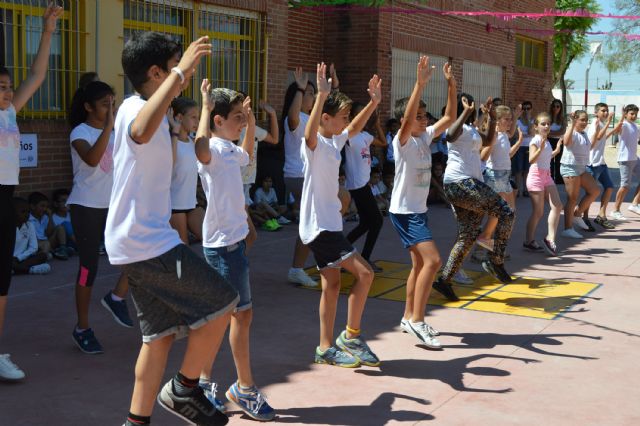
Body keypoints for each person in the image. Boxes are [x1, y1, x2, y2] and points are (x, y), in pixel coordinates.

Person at [106, 32, 238, 426]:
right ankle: (184, 388)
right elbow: (140, 131)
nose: (182, 73)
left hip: (137, 240)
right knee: (221, 302)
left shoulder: (153, 109)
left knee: (159, 337)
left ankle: (135, 422)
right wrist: (180, 73)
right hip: (145, 241)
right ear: (156, 71)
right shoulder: (134, 108)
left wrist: (188, 90)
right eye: (174, 65)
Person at [195, 82, 275, 421]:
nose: (242, 124)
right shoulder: (211, 149)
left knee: (239, 317)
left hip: (235, 245)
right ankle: (214, 385)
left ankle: (229, 386)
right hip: (220, 250)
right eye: (237, 118)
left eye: (244, 118)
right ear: (216, 120)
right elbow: (198, 146)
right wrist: (203, 104)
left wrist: (251, 118)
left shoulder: (229, 148)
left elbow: (247, 154)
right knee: (224, 320)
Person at [302, 62, 380, 368]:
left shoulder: (334, 142)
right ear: (325, 118)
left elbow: (354, 128)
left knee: (332, 285)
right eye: (343, 115)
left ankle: (324, 347)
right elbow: (309, 133)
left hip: (330, 224)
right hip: (321, 228)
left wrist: (374, 103)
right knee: (365, 273)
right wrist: (321, 95)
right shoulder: (314, 144)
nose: (347, 121)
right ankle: (351, 336)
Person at [0, 2, 61, 381]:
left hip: (5, 200)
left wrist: (48, 30)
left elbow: (37, 75)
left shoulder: (9, 113)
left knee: (1, 283)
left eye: (7, 85)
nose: (7, 90)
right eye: (0, 87)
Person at [389, 56, 457, 347]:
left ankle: (407, 317)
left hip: (417, 210)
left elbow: (450, 118)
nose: (425, 119)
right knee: (434, 261)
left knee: (419, 266)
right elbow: (406, 120)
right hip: (405, 212)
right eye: (419, 115)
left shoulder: (425, 137)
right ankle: (418, 321)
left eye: (425, 116)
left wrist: (451, 84)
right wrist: (419, 83)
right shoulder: (401, 140)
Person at [68, 80, 132, 354]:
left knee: (138, 255)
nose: (110, 108)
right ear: (88, 107)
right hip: (85, 208)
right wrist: (109, 128)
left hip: (113, 207)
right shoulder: (79, 132)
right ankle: (82, 327)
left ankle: (116, 296)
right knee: (87, 268)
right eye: (105, 104)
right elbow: (93, 159)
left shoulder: (117, 132)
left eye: (112, 103)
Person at [436, 94, 515, 300]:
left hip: (468, 184)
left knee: (468, 236)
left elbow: (489, 140)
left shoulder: (472, 130)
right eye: (463, 106)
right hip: (459, 182)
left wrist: (491, 117)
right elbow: (450, 137)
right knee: (506, 212)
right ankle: (494, 260)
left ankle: (444, 281)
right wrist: (465, 112)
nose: (468, 108)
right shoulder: (453, 127)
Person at [283, 66, 321, 287]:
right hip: (298, 176)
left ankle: (301, 266)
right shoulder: (296, 120)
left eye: (312, 93)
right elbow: (292, 115)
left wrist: (331, 88)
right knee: (313, 221)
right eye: (309, 93)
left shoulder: (312, 118)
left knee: (313, 221)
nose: (312, 96)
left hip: (307, 176)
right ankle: (297, 268)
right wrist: (299, 88)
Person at [343, 103, 388, 271]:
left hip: (364, 184)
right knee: (376, 221)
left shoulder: (365, 136)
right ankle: (364, 257)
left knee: (366, 223)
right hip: (357, 185)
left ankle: (341, 252)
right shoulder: (349, 135)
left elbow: (383, 142)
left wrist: (376, 123)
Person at [477, 105, 523, 251]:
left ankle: (491, 244)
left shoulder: (503, 134)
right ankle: (485, 241)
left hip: (504, 176)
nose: (510, 123)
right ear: (497, 121)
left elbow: (507, 152)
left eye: (511, 120)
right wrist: (491, 139)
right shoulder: (495, 135)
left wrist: (519, 140)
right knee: (500, 212)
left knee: (510, 213)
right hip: (494, 176)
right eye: (507, 119)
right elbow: (483, 157)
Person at [240, 100, 282, 248]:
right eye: (243, 107)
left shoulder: (253, 129)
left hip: (246, 183)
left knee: (247, 235)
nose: (247, 110)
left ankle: (237, 265)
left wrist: (272, 114)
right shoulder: (233, 130)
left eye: (248, 107)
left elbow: (275, 139)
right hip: (236, 183)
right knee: (249, 234)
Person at [524, 112, 564, 256]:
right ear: (536, 127)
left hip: (547, 176)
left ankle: (550, 239)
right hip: (535, 177)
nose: (546, 126)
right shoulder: (535, 140)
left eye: (548, 124)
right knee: (538, 212)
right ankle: (529, 241)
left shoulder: (545, 141)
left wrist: (556, 151)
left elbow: (545, 156)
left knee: (558, 206)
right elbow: (531, 160)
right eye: (543, 124)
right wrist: (540, 148)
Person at [168, 96, 205, 245]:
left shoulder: (192, 141)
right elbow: (169, 165)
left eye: (199, 117)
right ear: (179, 117)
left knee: (213, 239)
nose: (197, 122)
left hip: (191, 203)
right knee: (182, 252)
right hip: (174, 205)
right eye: (193, 117)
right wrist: (175, 132)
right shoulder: (169, 140)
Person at [559, 111, 601, 238]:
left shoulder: (583, 134)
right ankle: (567, 229)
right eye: (582, 120)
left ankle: (577, 215)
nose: (584, 122)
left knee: (595, 191)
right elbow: (566, 142)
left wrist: (597, 131)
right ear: (575, 120)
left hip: (581, 168)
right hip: (570, 167)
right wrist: (571, 124)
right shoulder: (572, 131)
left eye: (586, 120)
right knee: (572, 199)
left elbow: (590, 147)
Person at [585, 103, 616, 229]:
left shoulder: (601, 124)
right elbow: (597, 137)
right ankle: (585, 218)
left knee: (609, 187)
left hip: (601, 162)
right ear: (596, 112)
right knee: (590, 193)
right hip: (592, 163)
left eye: (607, 110)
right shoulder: (595, 124)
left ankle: (601, 216)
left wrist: (614, 128)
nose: (606, 112)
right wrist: (609, 122)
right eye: (603, 110)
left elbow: (603, 137)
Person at [612, 104, 640, 220]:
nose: (634, 116)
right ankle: (615, 211)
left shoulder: (636, 126)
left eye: (636, 114)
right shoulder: (623, 125)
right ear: (627, 114)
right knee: (625, 186)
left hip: (634, 158)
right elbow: (616, 131)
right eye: (631, 114)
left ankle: (634, 204)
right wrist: (622, 116)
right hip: (625, 159)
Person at [12, 197, 50, 275]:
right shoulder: (6, 227)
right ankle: (30, 270)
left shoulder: (30, 225)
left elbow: (33, 247)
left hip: (22, 258)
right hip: (9, 259)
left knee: (43, 256)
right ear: (12, 212)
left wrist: (19, 258)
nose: (27, 215)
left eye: (28, 212)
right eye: (23, 212)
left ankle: (14, 269)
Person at [28, 191, 69, 260]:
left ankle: (62, 250)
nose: (45, 209)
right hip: (36, 245)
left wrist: (50, 216)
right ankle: (47, 255)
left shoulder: (45, 217)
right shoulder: (28, 218)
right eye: (42, 206)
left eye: (46, 207)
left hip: (47, 242)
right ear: (32, 206)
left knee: (60, 228)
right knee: (46, 246)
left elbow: (49, 233)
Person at [512, 101, 535, 197]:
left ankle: (525, 189)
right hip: (519, 147)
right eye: (524, 108)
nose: (526, 110)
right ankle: (517, 190)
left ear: (531, 109)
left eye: (528, 108)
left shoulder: (533, 121)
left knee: (527, 169)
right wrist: (526, 135)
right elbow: (516, 135)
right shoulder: (517, 121)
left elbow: (532, 133)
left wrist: (528, 119)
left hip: (529, 147)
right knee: (518, 170)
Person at [51, 189, 77, 253]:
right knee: (65, 224)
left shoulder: (72, 215)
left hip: (72, 242)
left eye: (68, 201)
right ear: (56, 204)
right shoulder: (52, 218)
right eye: (63, 201)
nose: (66, 204)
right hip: (60, 243)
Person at [548, 99, 566, 183]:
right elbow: (546, 132)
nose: (555, 108)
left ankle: (558, 178)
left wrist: (551, 133)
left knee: (558, 160)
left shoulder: (562, 119)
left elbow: (563, 131)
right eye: (554, 106)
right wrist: (555, 133)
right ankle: (550, 178)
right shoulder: (548, 118)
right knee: (550, 160)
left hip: (559, 141)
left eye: (558, 106)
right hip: (549, 141)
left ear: (560, 108)